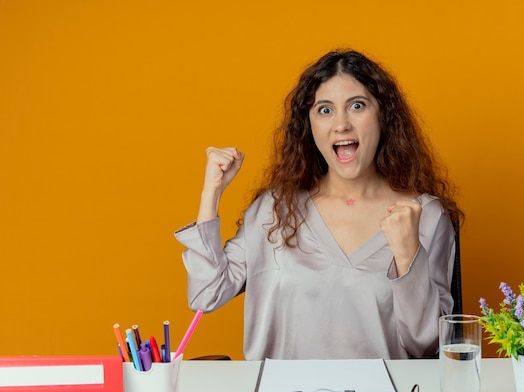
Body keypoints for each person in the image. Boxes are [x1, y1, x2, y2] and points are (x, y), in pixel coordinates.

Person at [174, 49, 463, 360]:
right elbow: (207, 293)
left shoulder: (425, 216)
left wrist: (408, 256)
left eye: (357, 106)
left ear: (383, 116)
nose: (341, 125)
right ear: (308, 126)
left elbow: (428, 344)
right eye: (325, 110)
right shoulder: (273, 210)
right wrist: (211, 193)